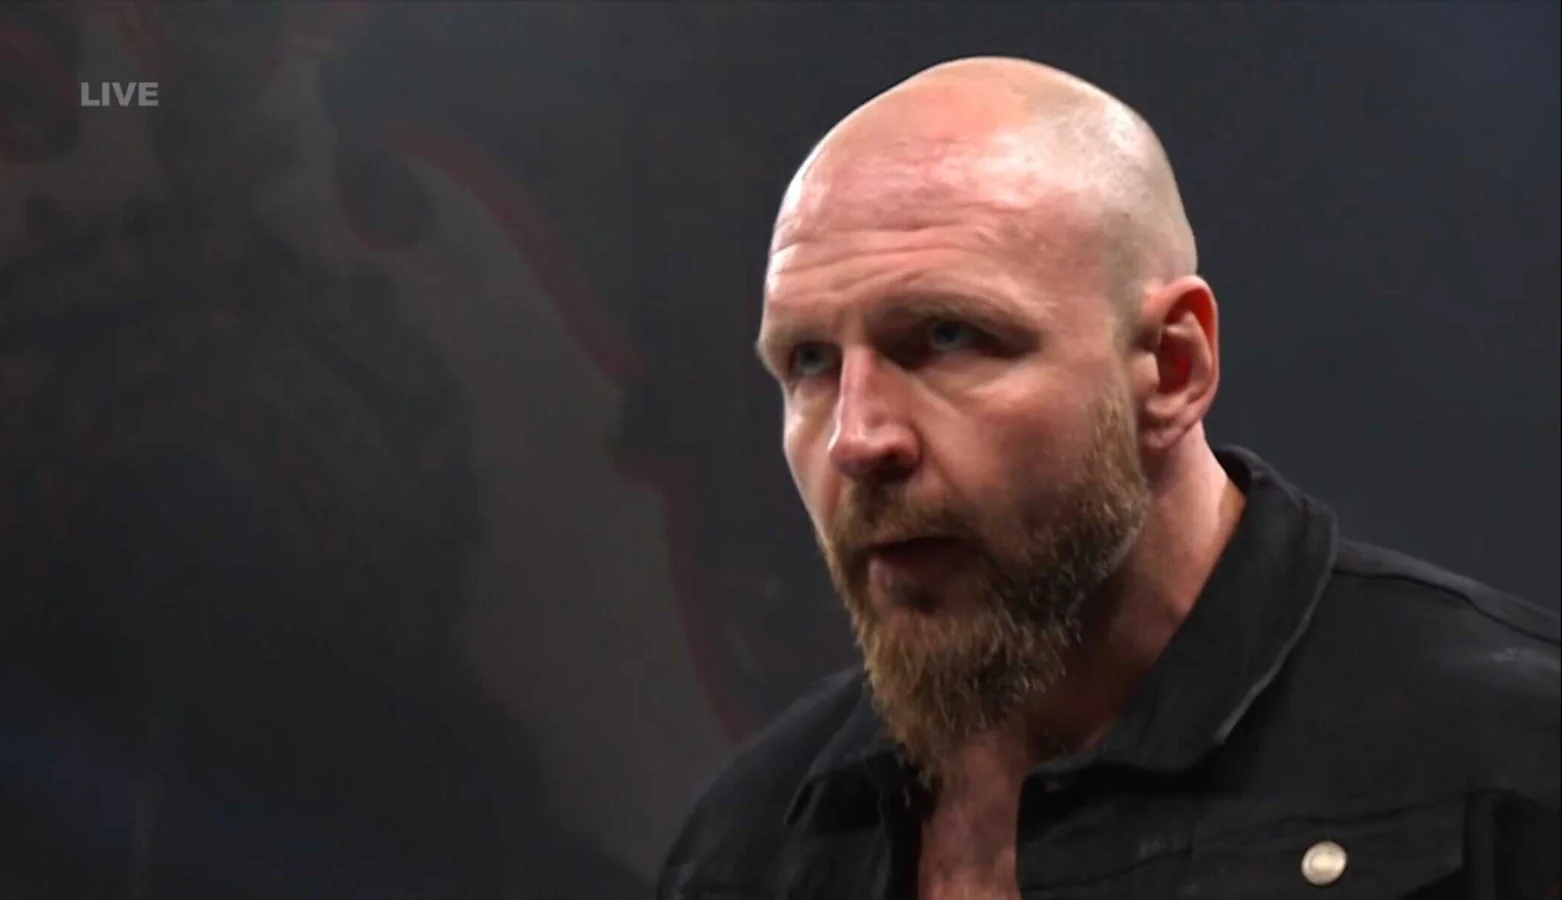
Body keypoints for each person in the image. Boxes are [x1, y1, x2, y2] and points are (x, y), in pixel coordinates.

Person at [656, 57, 1559, 900]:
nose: (857, 439)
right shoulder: (746, 845)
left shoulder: (1512, 767)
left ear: (1172, 367)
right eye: (810, 361)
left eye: (947, 337)